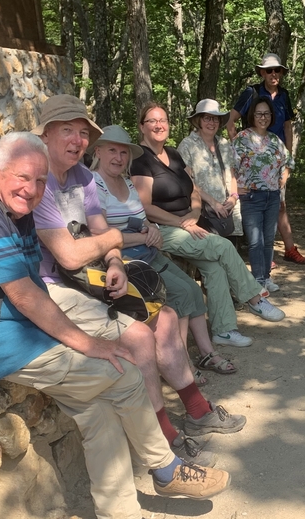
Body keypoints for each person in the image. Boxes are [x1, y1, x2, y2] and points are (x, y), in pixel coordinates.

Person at [0, 131, 231, 519]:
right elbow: (26, 295)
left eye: (38, 181)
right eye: (22, 178)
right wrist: (86, 342)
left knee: (97, 407)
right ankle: (165, 467)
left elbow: (34, 286)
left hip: (18, 328)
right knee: (120, 375)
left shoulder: (10, 208)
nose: (31, 190)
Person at [30, 95, 245, 452]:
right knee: (144, 333)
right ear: (45, 136)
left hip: (95, 273)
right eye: (66, 130)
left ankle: (196, 410)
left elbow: (102, 233)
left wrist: (114, 260)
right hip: (54, 284)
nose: (76, 140)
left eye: (82, 132)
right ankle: (162, 434)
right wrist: (115, 241)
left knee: (168, 313)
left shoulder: (81, 176)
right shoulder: (41, 182)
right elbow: (70, 255)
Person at [130, 102, 285, 346]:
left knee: (214, 269)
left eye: (163, 120)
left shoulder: (173, 154)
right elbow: (145, 206)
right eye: (152, 121)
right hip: (162, 229)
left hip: (188, 224)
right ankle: (255, 299)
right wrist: (182, 223)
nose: (159, 125)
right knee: (223, 247)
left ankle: (224, 330)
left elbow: (192, 189)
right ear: (142, 126)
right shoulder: (140, 159)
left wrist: (193, 214)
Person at [90, 124, 237, 379]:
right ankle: (180, 366)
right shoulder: (94, 185)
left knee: (191, 289)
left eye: (124, 153)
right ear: (98, 152)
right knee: (178, 294)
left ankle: (206, 352)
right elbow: (101, 235)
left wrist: (152, 228)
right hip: (123, 259)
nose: (118, 157)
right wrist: (144, 235)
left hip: (147, 250)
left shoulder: (126, 181)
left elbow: (141, 215)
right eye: (112, 150)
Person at [226, 52, 305, 265]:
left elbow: (287, 127)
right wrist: (243, 153)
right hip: (252, 167)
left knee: (279, 204)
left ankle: (287, 249)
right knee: (254, 205)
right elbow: (230, 121)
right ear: (262, 72)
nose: (274, 74)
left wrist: (287, 162)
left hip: (276, 162)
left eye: (277, 70)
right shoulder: (251, 92)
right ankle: (261, 253)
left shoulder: (284, 95)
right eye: (269, 70)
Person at [232, 97, 294, 292]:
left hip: (272, 196)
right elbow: (230, 167)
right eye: (259, 113)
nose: (263, 117)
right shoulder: (242, 138)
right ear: (252, 115)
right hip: (251, 197)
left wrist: (283, 178)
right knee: (255, 240)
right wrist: (235, 189)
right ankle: (257, 281)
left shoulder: (275, 140)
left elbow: (288, 162)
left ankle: (266, 278)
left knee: (268, 239)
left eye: (266, 114)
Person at [177, 98, 242, 242]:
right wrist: (213, 202)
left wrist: (233, 197)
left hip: (228, 212)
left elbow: (232, 176)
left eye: (215, 119)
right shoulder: (187, 145)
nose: (211, 123)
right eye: (207, 118)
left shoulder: (224, 144)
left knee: (230, 254)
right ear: (199, 120)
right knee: (209, 254)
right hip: (202, 213)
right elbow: (187, 181)